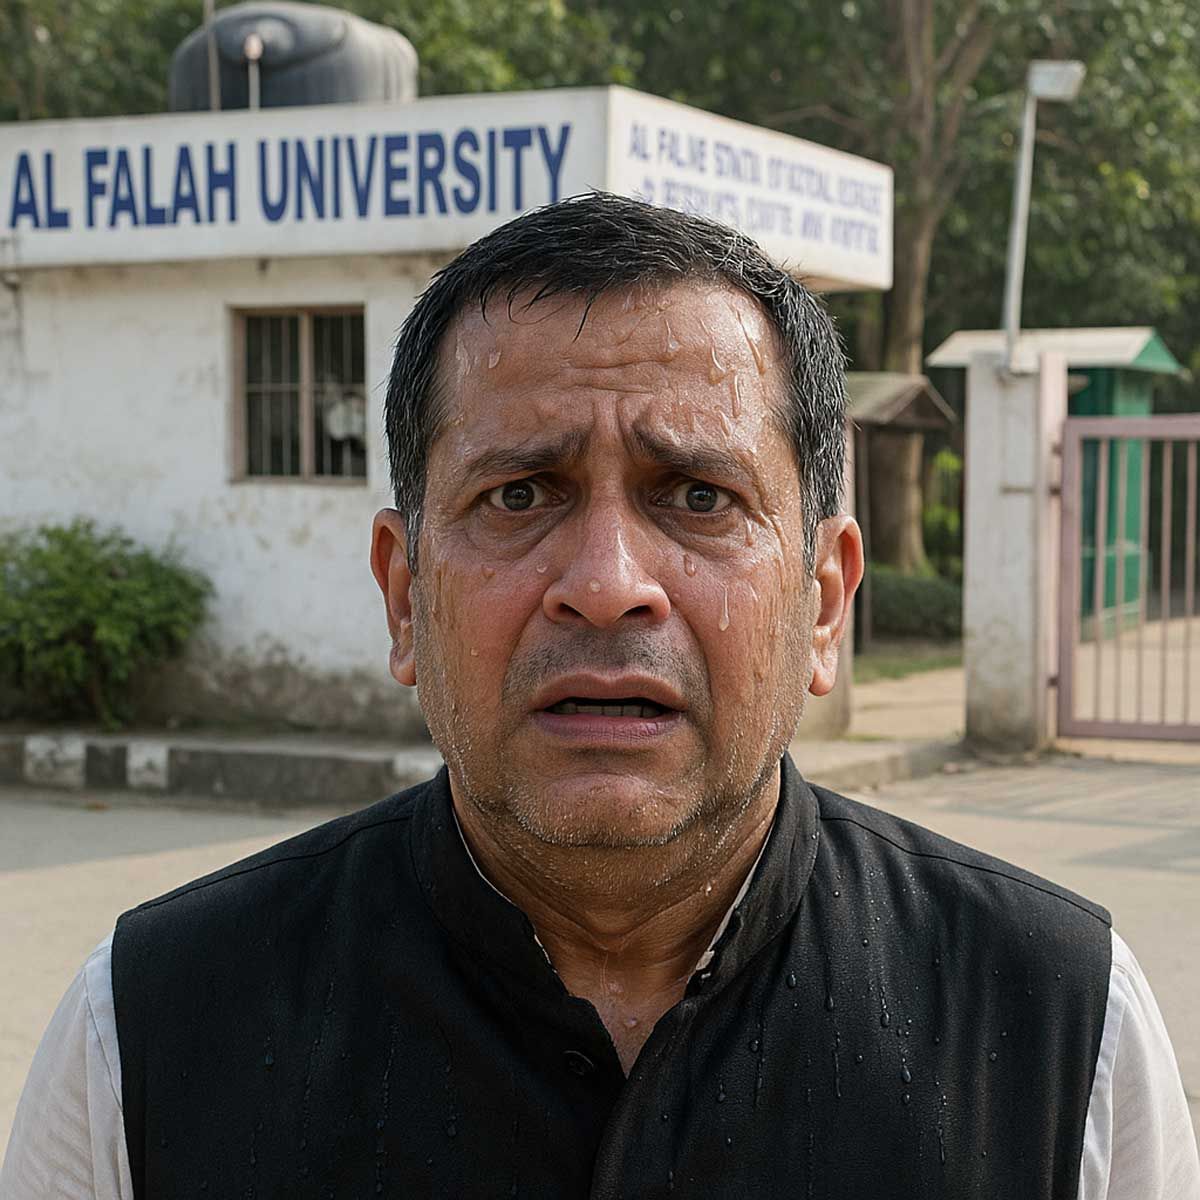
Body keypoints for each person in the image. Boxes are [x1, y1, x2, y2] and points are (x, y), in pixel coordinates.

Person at [3, 194, 1197, 1200]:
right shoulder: (148, 1033)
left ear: (825, 601)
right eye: (521, 495)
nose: (608, 585)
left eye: (698, 496)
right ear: (406, 597)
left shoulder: (1059, 1028)